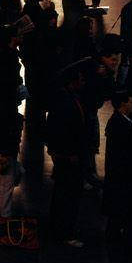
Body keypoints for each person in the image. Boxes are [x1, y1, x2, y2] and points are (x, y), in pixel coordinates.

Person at [44, 61, 88, 247]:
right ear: (73, 82)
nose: (83, 81)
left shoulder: (64, 98)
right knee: (68, 194)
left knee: (62, 193)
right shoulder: (67, 102)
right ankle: (64, 231)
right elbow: (63, 131)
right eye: (80, 79)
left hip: (66, 155)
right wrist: (68, 153)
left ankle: (57, 229)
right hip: (69, 156)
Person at [102, 90, 132, 254]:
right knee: (123, 207)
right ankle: (123, 240)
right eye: (131, 101)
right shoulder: (121, 124)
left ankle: (115, 235)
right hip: (124, 174)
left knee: (118, 208)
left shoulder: (122, 121)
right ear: (123, 104)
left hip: (121, 174)